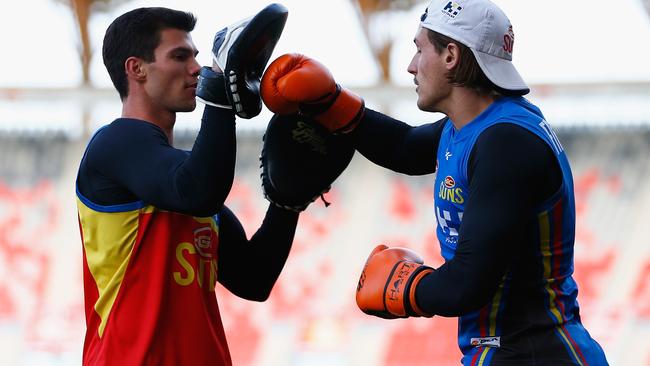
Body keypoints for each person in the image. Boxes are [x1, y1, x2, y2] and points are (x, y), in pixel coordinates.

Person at [259, 0, 609, 364]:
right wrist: (330, 102)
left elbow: (467, 284)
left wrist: (405, 287)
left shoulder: (506, 143)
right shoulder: (474, 127)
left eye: (419, 49)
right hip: (510, 349)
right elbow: (404, 148)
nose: (411, 66)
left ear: (451, 56)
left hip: (537, 353)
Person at [76, 6, 294, 365]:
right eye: (180, 56)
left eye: (196, 56)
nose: (196, 68)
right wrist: (219, 95)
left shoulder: (181, 179)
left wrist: (287, 204)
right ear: (137, 69)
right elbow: (197, 189)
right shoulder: (116, 143)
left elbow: (254, 279)